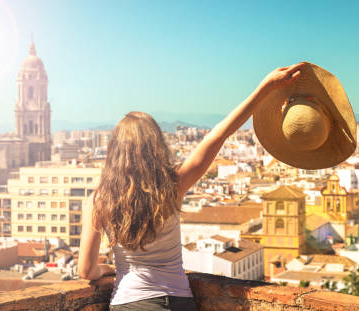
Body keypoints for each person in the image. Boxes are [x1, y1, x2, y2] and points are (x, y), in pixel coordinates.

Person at [78, 63, 304, 310]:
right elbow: (218, 134)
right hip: (179, 301)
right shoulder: (172, 185)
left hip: (130, 302)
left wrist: (107, 268)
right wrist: (265, 88)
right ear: (155, 145)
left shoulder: (99, 200)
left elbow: (86, 270)